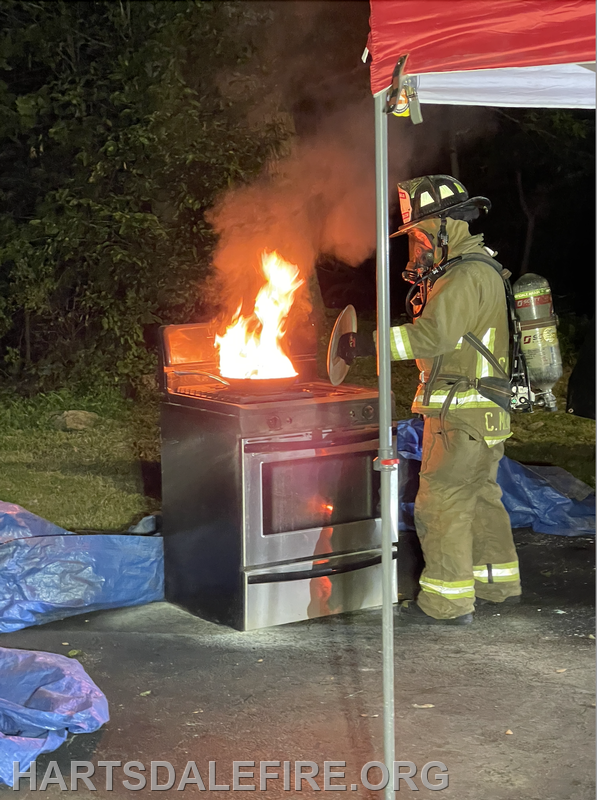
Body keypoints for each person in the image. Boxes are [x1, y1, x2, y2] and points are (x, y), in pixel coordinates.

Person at [339, 174, 521, 625]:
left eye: (420, 232)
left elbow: (433, 336)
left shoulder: (463, 276)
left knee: (441, 501)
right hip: (485, 413)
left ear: (444, 226)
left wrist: (367, 346)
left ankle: (446, 602)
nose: (416, 243)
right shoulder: (481, 269)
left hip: (462, 414)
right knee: (480, 496)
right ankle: (499, 584)